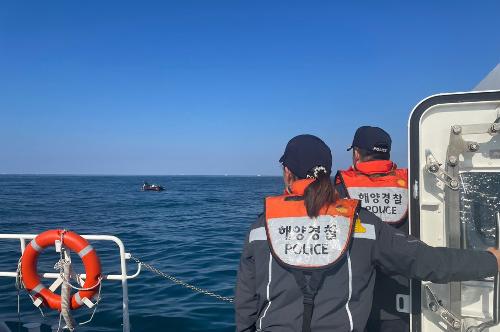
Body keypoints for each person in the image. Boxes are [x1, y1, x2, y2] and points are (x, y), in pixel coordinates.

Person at [235, 134, 500, 332]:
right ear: (327, 173)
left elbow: (246, 304)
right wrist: (491, 260)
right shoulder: (362, 224)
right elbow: (427, 262)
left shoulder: (260, 228)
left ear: (287, 172)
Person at [335, 126, 409, 331]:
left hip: (356, 298)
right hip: (401, 295)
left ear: (356, 153)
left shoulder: (342, 186)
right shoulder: (409, 183)